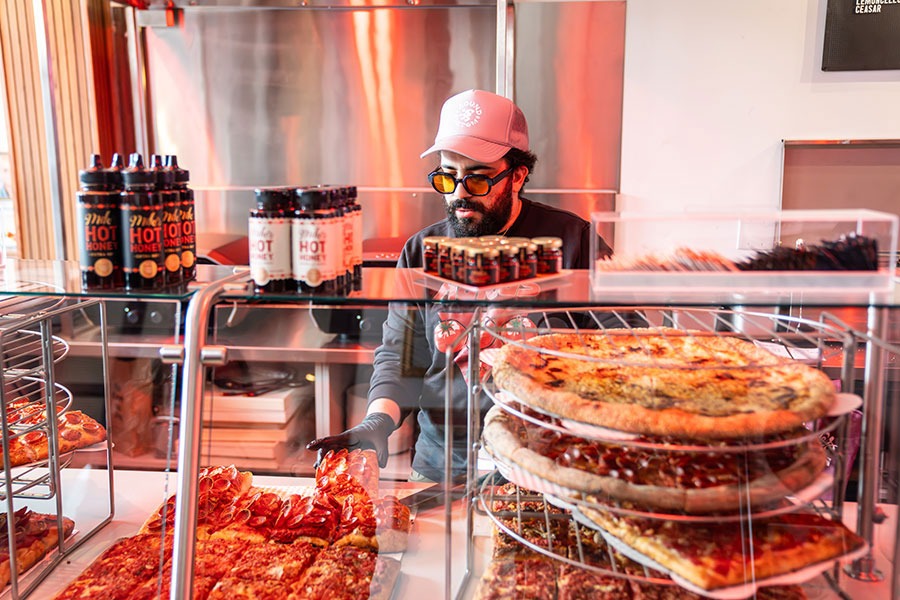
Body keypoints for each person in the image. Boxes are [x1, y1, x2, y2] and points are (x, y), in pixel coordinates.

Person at [307, 89, 612, 482]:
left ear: (517, 175)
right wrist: (378, 421)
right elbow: (401, 356)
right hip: (441, 466)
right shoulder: (421, 251)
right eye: (447, 176)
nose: (459, 193)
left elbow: (621, 343)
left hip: (548, 464)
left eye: (478, 179)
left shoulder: (575, 241)